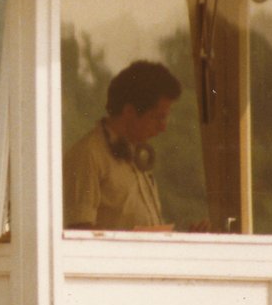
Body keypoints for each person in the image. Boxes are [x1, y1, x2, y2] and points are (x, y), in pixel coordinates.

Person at [63, 60, 184, 230]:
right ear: (129, 112)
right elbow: (80, 231)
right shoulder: (89, 154)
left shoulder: (137, 154)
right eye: (157, 117)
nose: (163, 127)